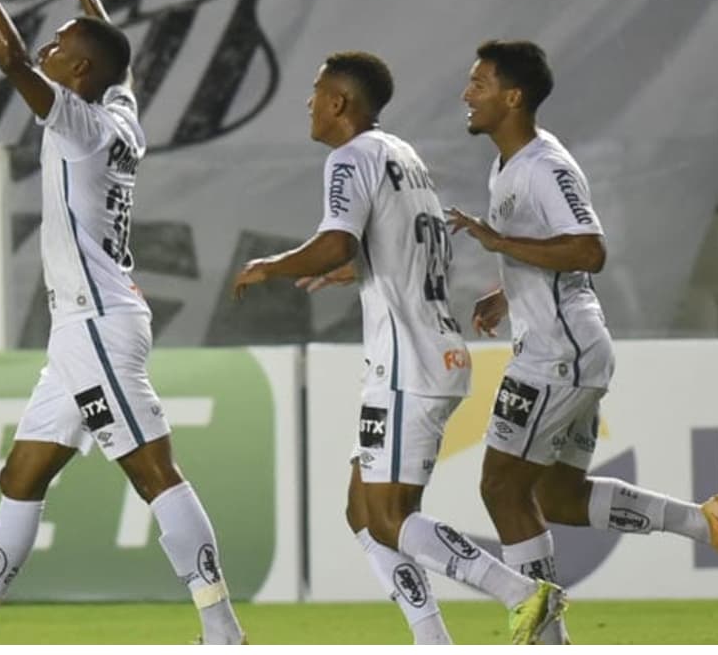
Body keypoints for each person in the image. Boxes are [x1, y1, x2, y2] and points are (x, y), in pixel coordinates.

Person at [0, 0, 246, 645]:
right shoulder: (117, 114)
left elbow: (12, 59)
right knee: (21, 477)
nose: (48, 50)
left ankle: (223, 632)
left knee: (154, 472)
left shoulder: (78, 124)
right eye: (51, 40)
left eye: (61, 46)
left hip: (97, 323)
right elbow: (122, 69)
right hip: (85, 326)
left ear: (77, 74)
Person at [232, 51, 566, 645]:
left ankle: (521, 592)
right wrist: (362, 268)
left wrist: (272, 265)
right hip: (434, 350)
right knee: (363, 510)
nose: (309, 104)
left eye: (316, 93)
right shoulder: (402, 155)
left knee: (389, 518)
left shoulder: (348, 157)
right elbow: (395, 241)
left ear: (339, 103)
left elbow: (335, 241)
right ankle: (431, 639)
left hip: (404, 361)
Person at [446, 39, 718, 644]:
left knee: (500, 487)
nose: (466, 94)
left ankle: (548, 639)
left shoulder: (546, 166)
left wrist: (499, 243)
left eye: (479, 84)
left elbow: (589, 248)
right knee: (560, 497)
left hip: (558, 354)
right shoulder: (507, 165)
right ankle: (706, 523)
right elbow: (550, 250)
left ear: (512, 97)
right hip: (565, 347)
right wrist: (507, 288)